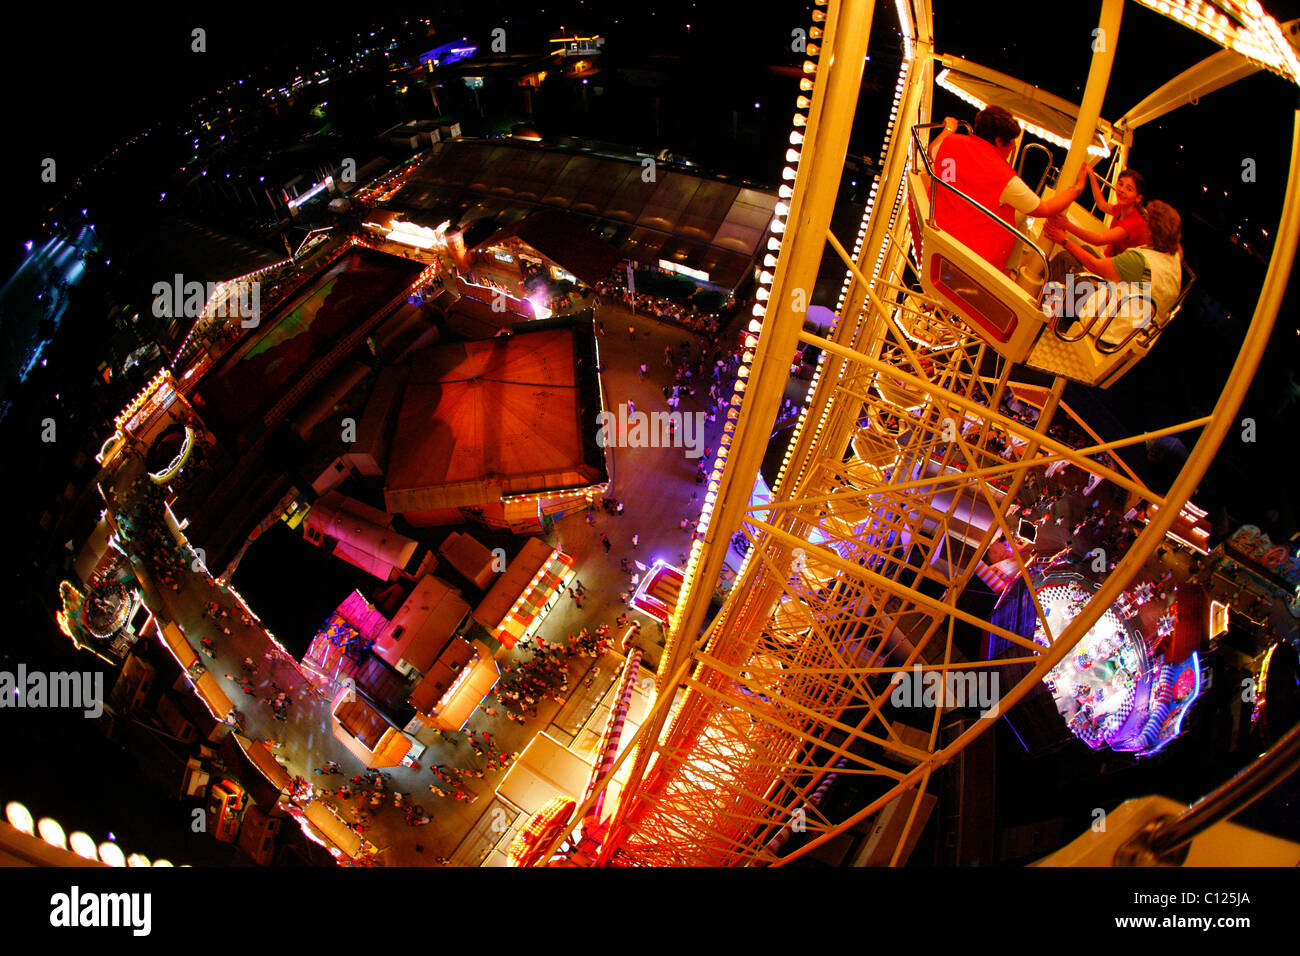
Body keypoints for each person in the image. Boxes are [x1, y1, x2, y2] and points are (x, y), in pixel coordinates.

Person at [930, 107, 1086, 272]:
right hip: (971, 255)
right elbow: (1045, 209)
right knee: (1020, 219)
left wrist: (948, 129)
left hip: (938, 230)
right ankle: (1012, 270)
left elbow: (932, 150)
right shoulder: (1004, 178)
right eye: (1011, 141)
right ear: (999, 141)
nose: (1013, 146)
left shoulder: (950, 142)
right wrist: (1077, 189)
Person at [1042, 200, 1182, 344]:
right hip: (1138, 322)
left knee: (1066, 262)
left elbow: (1094, 264)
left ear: (1151, 231)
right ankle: (1061, 315)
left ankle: (1050, 319)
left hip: (1110, 325)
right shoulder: (1175, 254)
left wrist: (1063, 240)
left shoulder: (1139, 260)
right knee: (1086, 250)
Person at [1049, 168, 1150, 283]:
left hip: (1118, 276)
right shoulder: (1121, 209)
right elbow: (1101, 204)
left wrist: (1067, 226)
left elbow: (1099, 239)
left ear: (1138, 198)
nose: (1122, 190)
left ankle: (1045, 289)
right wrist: (1091, 175)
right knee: (1084, 249)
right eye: (1120, 184)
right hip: (1110, 263)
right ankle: (1051, 291)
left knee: (1065, 258)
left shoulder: (1135, 222)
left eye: (1129, 189)